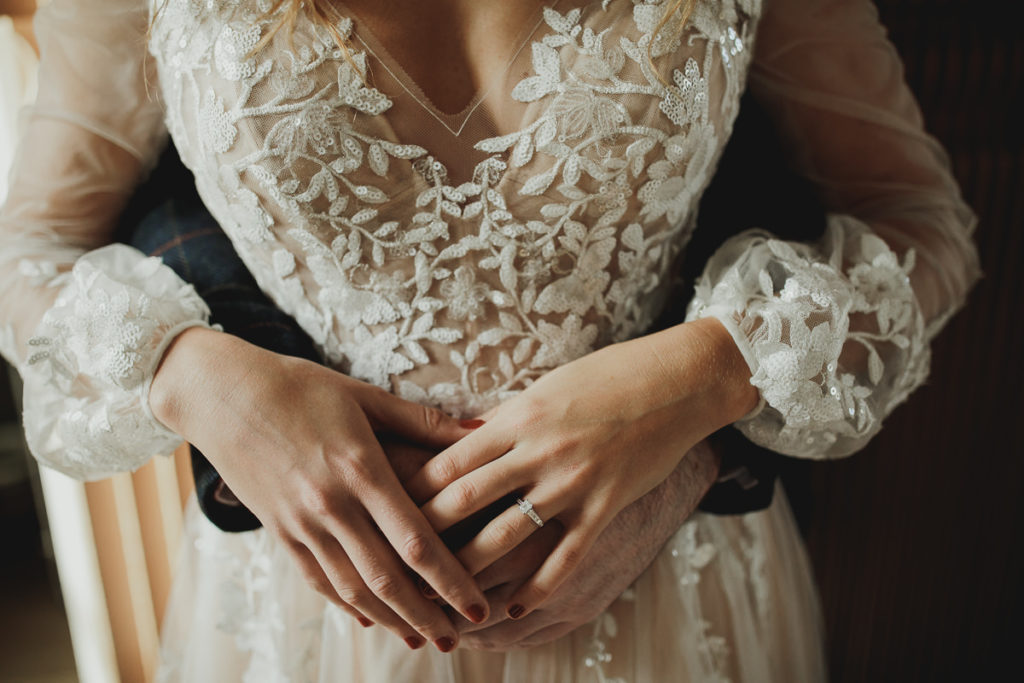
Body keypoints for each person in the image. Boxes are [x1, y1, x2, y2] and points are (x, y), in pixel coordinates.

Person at [0, 0, 980, 681]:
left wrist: (705, 379)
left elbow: (916, 221)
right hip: (321, 589)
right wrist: (190, 374)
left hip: (659, 573)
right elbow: (30, 245)